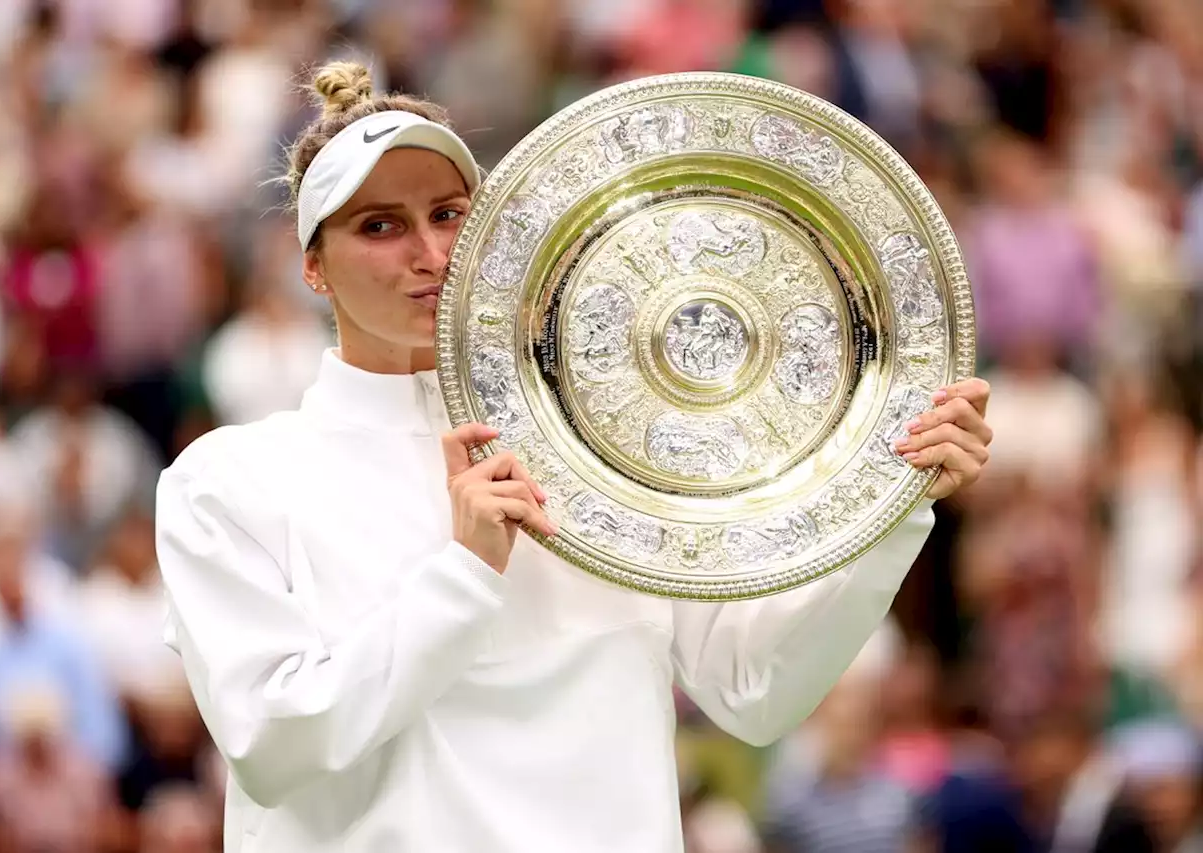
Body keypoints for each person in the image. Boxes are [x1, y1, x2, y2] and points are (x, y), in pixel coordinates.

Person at [152, 61, 994, 853]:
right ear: (313, 268)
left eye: (450, 214)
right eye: (380, 226)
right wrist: (466, 569)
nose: (431, 255)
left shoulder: (606, 447)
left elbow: (752, 689)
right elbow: (276, 739)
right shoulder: (228, 480)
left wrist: (893, 499)